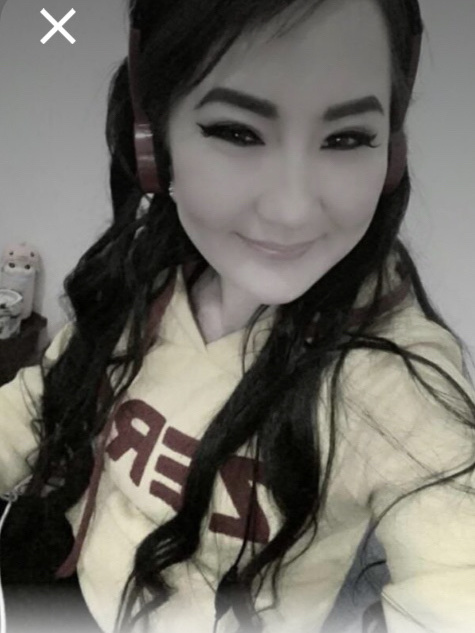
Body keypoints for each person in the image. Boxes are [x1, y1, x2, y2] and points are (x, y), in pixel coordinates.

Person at [1, 0, 475, 631]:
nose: (291, 211)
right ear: (155, 142)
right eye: (237, 132)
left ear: (390, 154)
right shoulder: (150, 275)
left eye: (346, 138)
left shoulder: (392, 380)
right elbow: (41, 403)